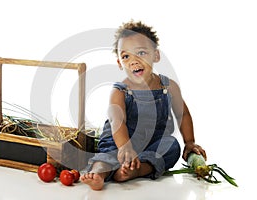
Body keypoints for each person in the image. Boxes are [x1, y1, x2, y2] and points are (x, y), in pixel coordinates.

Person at [80, 20, 206, 190]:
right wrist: (124, 146)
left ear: (156, 55)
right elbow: (117, 121)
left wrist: (190, 142)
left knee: (171, 146)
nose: (134, 61)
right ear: (119, 63)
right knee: (107, 155)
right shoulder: (120, 91)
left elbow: (182, 114)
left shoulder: (168, 87)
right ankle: (99, 173)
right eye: (126, 56)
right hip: (120, 141)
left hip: (152, 142)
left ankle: (136, 171)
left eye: (141, 52)